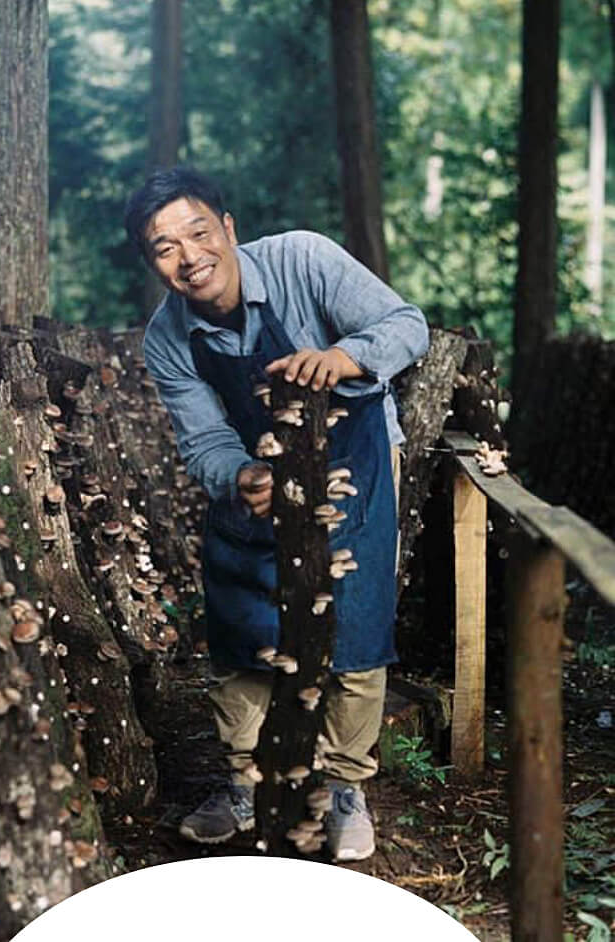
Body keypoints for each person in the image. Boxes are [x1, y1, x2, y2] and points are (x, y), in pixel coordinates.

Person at [124, 167, 429, 861]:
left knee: (351, 619)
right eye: (163, 247)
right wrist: (242, 476)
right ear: (153, 263)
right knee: (241, 627)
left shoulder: (305, 260)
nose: (188, 255)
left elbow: (407, 325)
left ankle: (346, 788)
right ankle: (243, 783)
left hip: (352, 462)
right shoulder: (167, 339)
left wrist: (345, 357)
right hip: (258, 475)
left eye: (198, 232)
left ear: (228, 229)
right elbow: (204, 438)